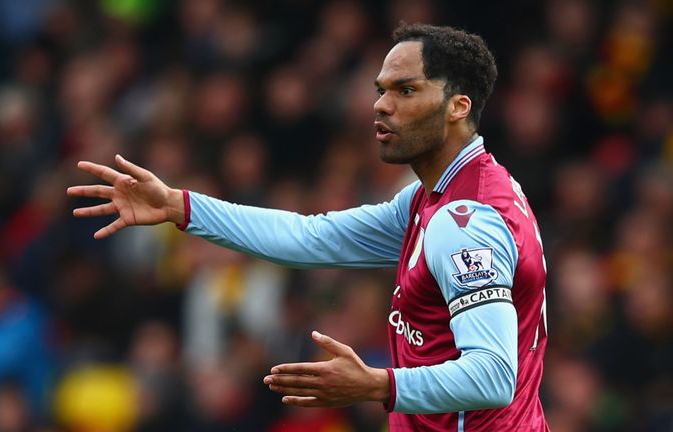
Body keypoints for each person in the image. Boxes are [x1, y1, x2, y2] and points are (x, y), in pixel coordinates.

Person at [67, 23, 549, 431]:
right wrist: (179, 206)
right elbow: (310, 237)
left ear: (457, 107)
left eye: (405, 90)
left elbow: (493, 376)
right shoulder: (437, 197)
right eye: (380, 90)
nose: (381, 105)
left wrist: (376, 384)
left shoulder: (466, 221)